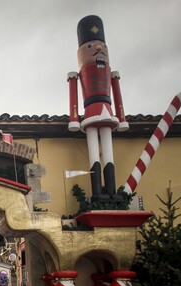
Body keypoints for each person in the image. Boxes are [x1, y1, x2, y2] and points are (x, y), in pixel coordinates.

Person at [67, 15, 128, 202]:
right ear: (80, 53)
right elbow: (73, 93)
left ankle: (111, 191)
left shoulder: (110, 73)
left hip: (107, 111)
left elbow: (116, 93)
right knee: (94, 154)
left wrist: (122, 117)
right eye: (90, 47)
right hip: (90, 112)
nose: (99, 48)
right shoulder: (78, 74)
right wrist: (74, 118)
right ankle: (97, 193)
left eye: (102, 46)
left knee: (108, 154)